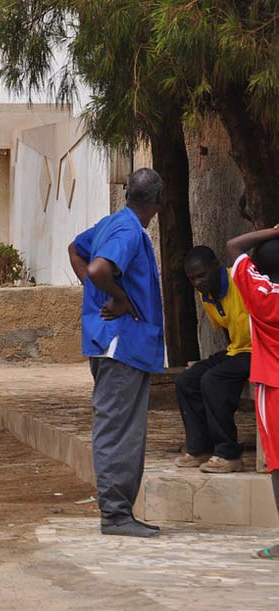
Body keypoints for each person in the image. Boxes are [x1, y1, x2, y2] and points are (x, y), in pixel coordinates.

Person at [67, 168, 166, 538]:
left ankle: (118, 512)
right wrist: (119, 298)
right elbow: (96, 267)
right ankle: (115, 515)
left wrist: (98, 295)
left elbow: (75, 248)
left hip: (114, 342)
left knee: (123, 428)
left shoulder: (112, 222)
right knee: (118, 430)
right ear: (158, 201)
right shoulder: (126, 231)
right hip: (120, 345)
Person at [225, 227, 279, 560]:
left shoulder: (258, 292)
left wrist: (274, 230)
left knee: (277, 466)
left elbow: (233, 245)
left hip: (273, 388)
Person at [174, 246, 251, 472]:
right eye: (192, 278)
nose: (197, 282)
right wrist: (229, 357)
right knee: (186, 380)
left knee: (213, 380)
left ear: (216, 266)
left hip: (261, 350)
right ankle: (200, 448)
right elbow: (227, 331)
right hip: (237, 350)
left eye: (201, 275)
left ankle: (229, 454)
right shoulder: (205, 295)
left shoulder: (239, 280)